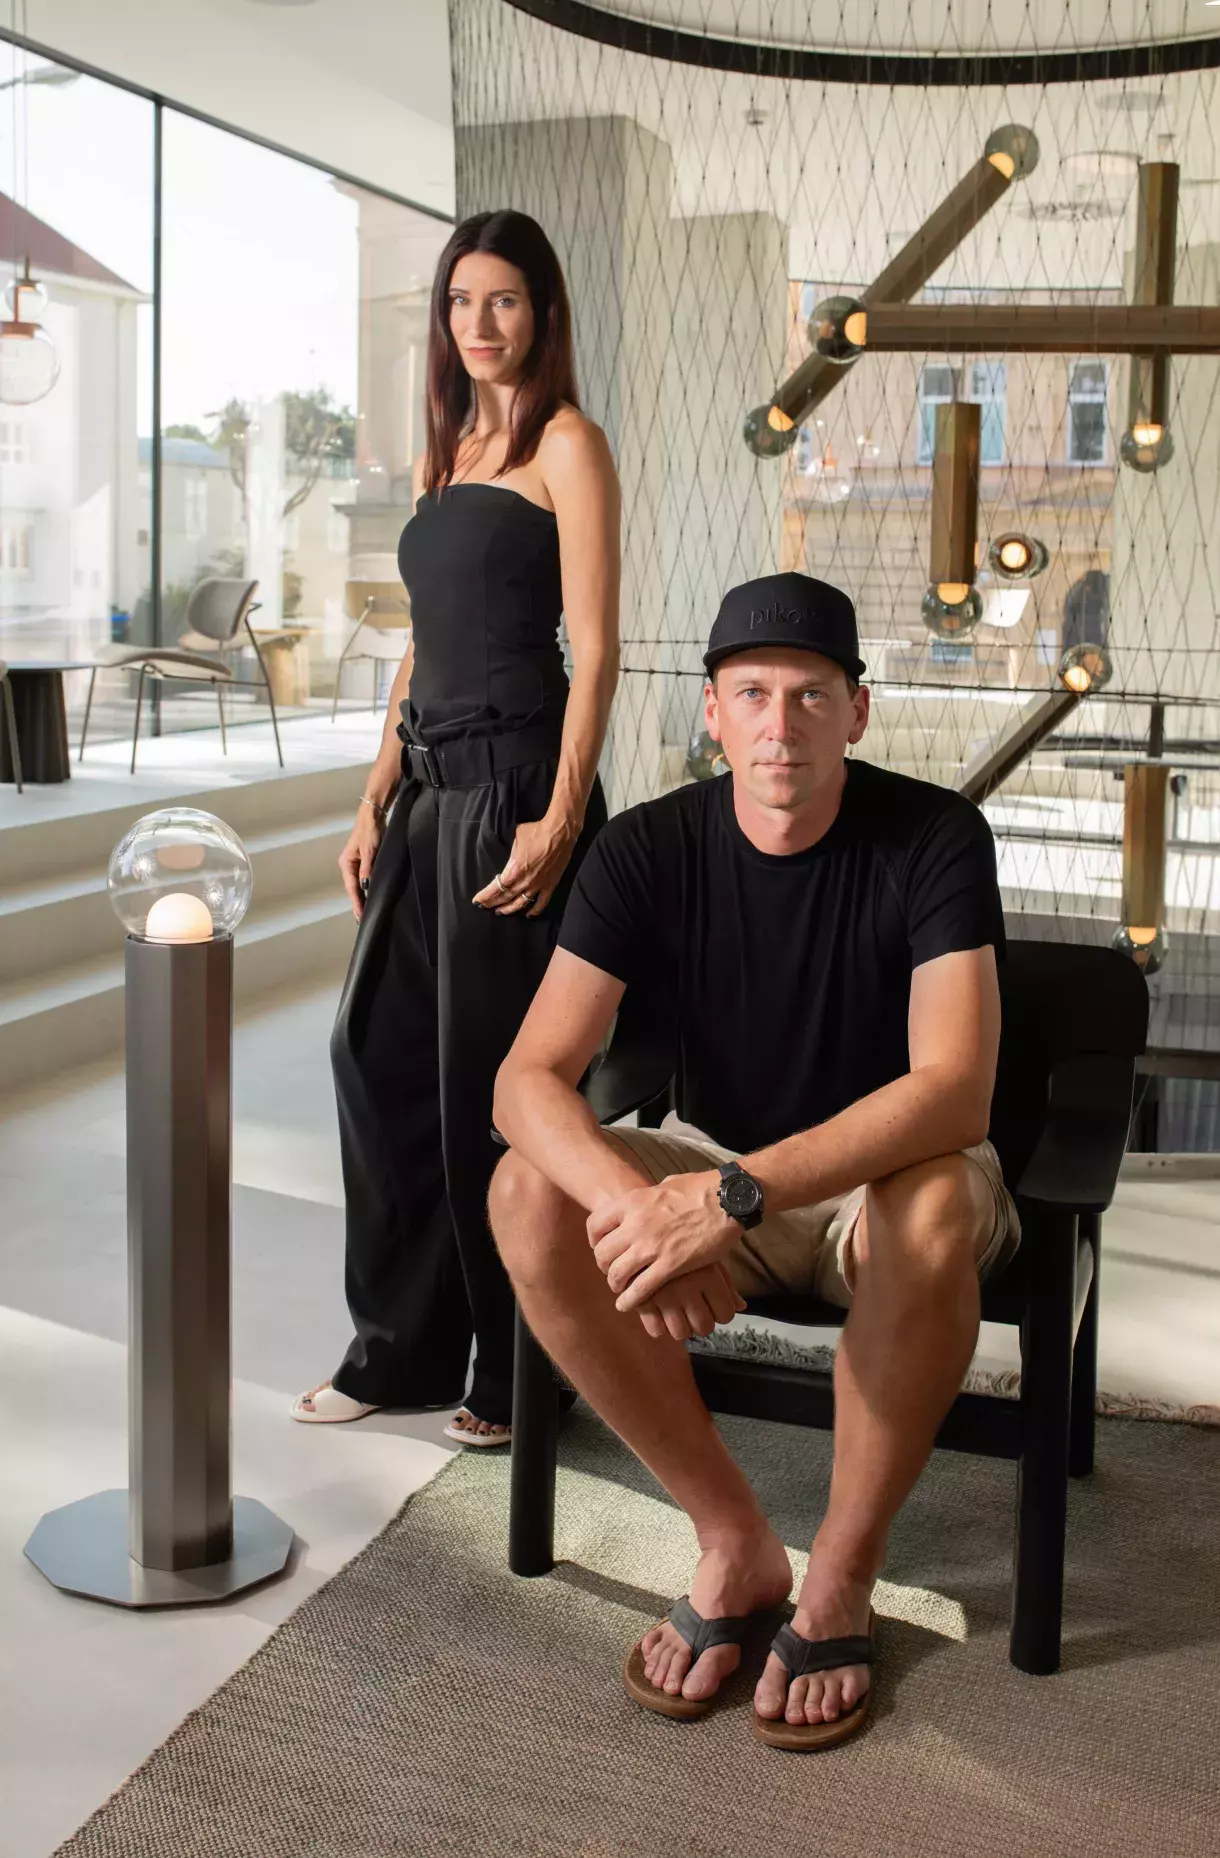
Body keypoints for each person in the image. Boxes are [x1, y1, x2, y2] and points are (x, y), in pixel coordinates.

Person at [488, 570, 1018, 1746]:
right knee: (526, 1190)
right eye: (752, 694)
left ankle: (841, 1573)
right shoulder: (642, 847)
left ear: (856, 711)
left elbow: (953, 1089)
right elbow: (524, 1080)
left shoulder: (935, 835)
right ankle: (732, 1542)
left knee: (928, 1208)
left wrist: (727, 1197)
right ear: (712, 712)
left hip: (888, 1180)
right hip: (709, 1165)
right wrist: (641, 1208)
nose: (780, 724)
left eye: (810, 694)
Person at [293, 209, 620, 1446]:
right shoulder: (452, 452)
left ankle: (519, 1366)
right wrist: (374, 791)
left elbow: (597, 647)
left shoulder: (566, 444)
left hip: (512, 795)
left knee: (490, 1091)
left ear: (542, 313)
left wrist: (561, 813)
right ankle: (398, 1349)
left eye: (503, 300)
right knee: (372, 1058)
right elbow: (419, 647)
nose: (478, 323)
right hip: (428, 801)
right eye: (459, 301)